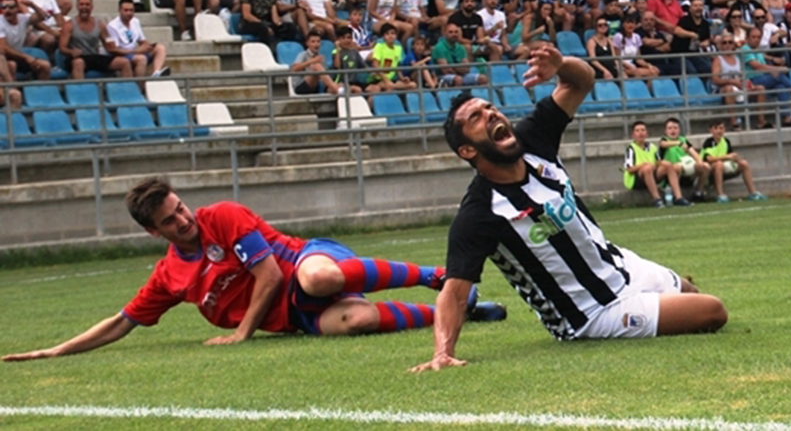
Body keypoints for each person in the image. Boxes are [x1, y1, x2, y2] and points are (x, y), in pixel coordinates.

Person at [412, 47, 726, 370]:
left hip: (619, 265)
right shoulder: (479, 214)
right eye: (475, 118)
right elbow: (454, 293)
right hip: (590, 314)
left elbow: (581, 82)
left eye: (489, 107)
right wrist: (442, 351)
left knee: (690, 292)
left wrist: (561, 65)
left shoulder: (533, 139)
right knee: (712, 311)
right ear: (467, 150)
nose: (490, 114)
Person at [3, 177, 505, 362]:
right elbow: (122, 321)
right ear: (154, 234)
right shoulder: (169, 278)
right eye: (170, 221)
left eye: (181, 207)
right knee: (356, 321)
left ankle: (435, 277)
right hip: (295, 318)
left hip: (306, 262)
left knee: (319, 279)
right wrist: (56, 349)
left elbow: (268, 276)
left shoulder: (220, 215)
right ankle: (462, 309)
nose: (184, 219)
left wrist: (242, 333)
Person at [700, 118, 765, 203]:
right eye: (716, 128)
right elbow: (709, 159)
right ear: (710, 130)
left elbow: (731, 156)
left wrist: (736, 159)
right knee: (719, 164)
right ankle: (720, 195)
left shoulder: (726, 141)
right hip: (710, 171)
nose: (719, 131)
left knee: (744, 163)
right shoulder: (709, 142)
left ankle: (753, 193)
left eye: (721, 128)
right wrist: (727, 157)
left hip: (725, 167)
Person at [659, 117, 710, 202]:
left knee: (705, 166)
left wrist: (699, 164)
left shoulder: (683, 140)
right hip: (671, 173)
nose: (673, 130)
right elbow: (663, 144)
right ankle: (675, 195)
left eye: (675, 128)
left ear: (679, 130)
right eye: (670, 128)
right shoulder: (665, 140)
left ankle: (698, 192)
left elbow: (694, 153)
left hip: (686, 171)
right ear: (665, 131)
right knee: (677, 167)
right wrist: (677, 143)